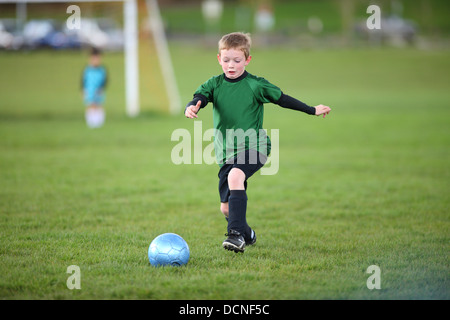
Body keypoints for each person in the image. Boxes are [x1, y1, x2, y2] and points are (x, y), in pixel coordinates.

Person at [185, 32, 331, 253]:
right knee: (225, 209)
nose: (231, 65)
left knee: (236, 176)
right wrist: (193, 105)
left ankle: (235, 237)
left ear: (247, 60)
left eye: (237, 60)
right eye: (226, 60)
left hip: (256, 146)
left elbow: (282, 99)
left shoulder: (255, 85)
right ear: (218, 59)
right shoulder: (214, 84)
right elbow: (200, 96)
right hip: (226, 153)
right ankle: (247, 233)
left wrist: (312, 110)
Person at [81, 47, 108, 128]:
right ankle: (91, 122)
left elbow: (105, 80)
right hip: (90, 90)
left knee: (98, 104)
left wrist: (102, 88)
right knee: (91, 104)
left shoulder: (102, 70)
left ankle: (99, 122)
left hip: (99, 90)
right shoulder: (87, 70)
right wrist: (83, 90)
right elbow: (83, 80)